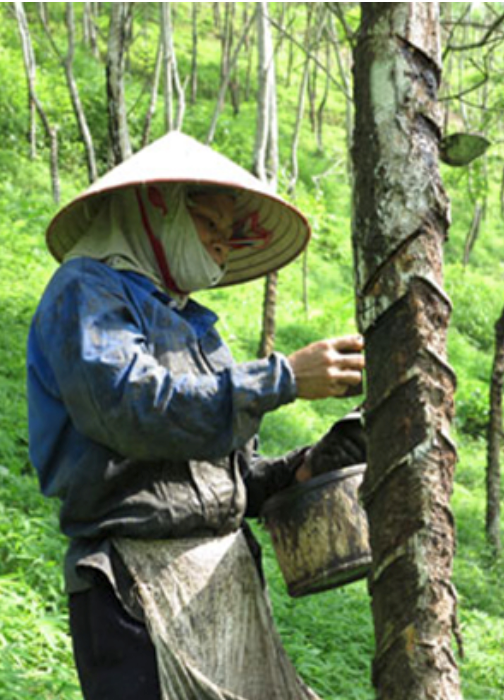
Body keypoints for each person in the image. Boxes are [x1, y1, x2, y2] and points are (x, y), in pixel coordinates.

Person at [26, 131, 365, 700]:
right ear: (157, 212)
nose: (223, 246)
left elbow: (229, 478)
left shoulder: (199, 330)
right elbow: (131, 407)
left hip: (222, 590)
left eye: (230, 238)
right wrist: (281, 379)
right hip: (133, 588)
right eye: (210, 226)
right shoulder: (83, 292)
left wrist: (305, 469)